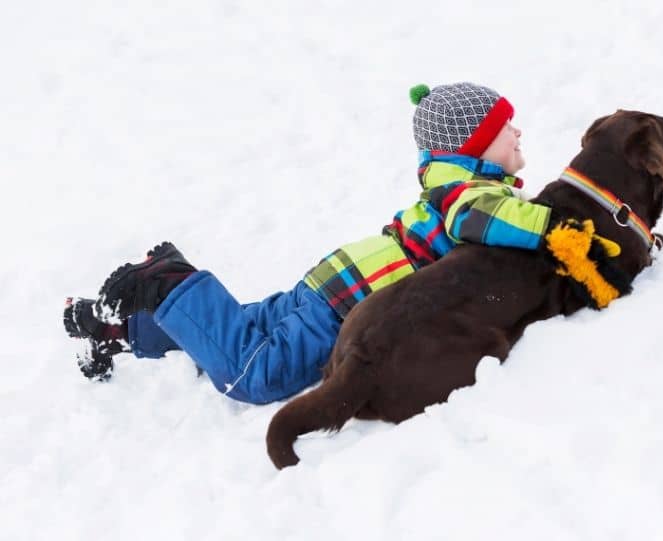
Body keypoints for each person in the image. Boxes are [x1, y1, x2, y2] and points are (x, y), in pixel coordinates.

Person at [64, 82, 562, 404]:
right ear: (473, 144)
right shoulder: (467, 193)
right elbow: (499, 221)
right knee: (256, 374)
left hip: (342, 280)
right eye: (503, 127)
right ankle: (169, 282)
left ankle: (122, 330)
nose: (517, 131)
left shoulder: (452, 184)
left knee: (235, 329)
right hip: (351, 303)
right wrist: (567, 225)